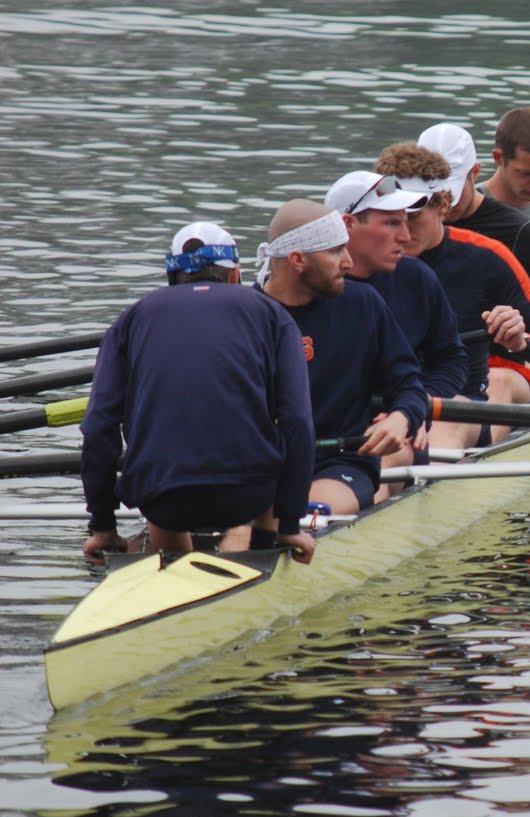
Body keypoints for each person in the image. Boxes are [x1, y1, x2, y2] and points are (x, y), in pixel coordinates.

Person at [81, 221, 317, 566]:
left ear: (172, 277)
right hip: (250, 496)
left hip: (163, 500)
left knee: (160, 462)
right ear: (234, 273)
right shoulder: (272, 314)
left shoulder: (130, 319)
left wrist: (103, 525)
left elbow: (98, 426)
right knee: (278, 437)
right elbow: (297, 419)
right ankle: (267, 546)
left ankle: (173, 560)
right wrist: (292, 522)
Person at [373, 142, 530, 443]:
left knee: (444, 425)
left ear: (443, 205)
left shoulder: (487, 257)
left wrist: (521, 341)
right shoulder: (363, 262)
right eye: (390, 219)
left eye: (412, 216)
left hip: (460, 402)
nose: (401, 232)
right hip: (389, 403)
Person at [256, 200, 427, 517]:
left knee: (304, 515)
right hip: (257, 465)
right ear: (298, 260)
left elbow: (409, 385)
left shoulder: (363, 304)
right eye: (336, 252)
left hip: (340, 461)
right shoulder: (244, 315)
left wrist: (401, 417)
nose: (348, 262)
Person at [323, 169, 468, 471]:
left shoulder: (417, 278)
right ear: (347, 225)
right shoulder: (305, 286)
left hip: (397, 426)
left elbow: (451, 360)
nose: (406, 236)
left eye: (405, 221)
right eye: (391, 223)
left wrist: (413, 409)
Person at [417, 121, 530, 356]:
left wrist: (515, 333)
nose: (444, 206)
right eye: (432, 197)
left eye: (452, 194)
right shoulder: (402, 230)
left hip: (507, 358)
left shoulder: (522, 233)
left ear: (475, 172)